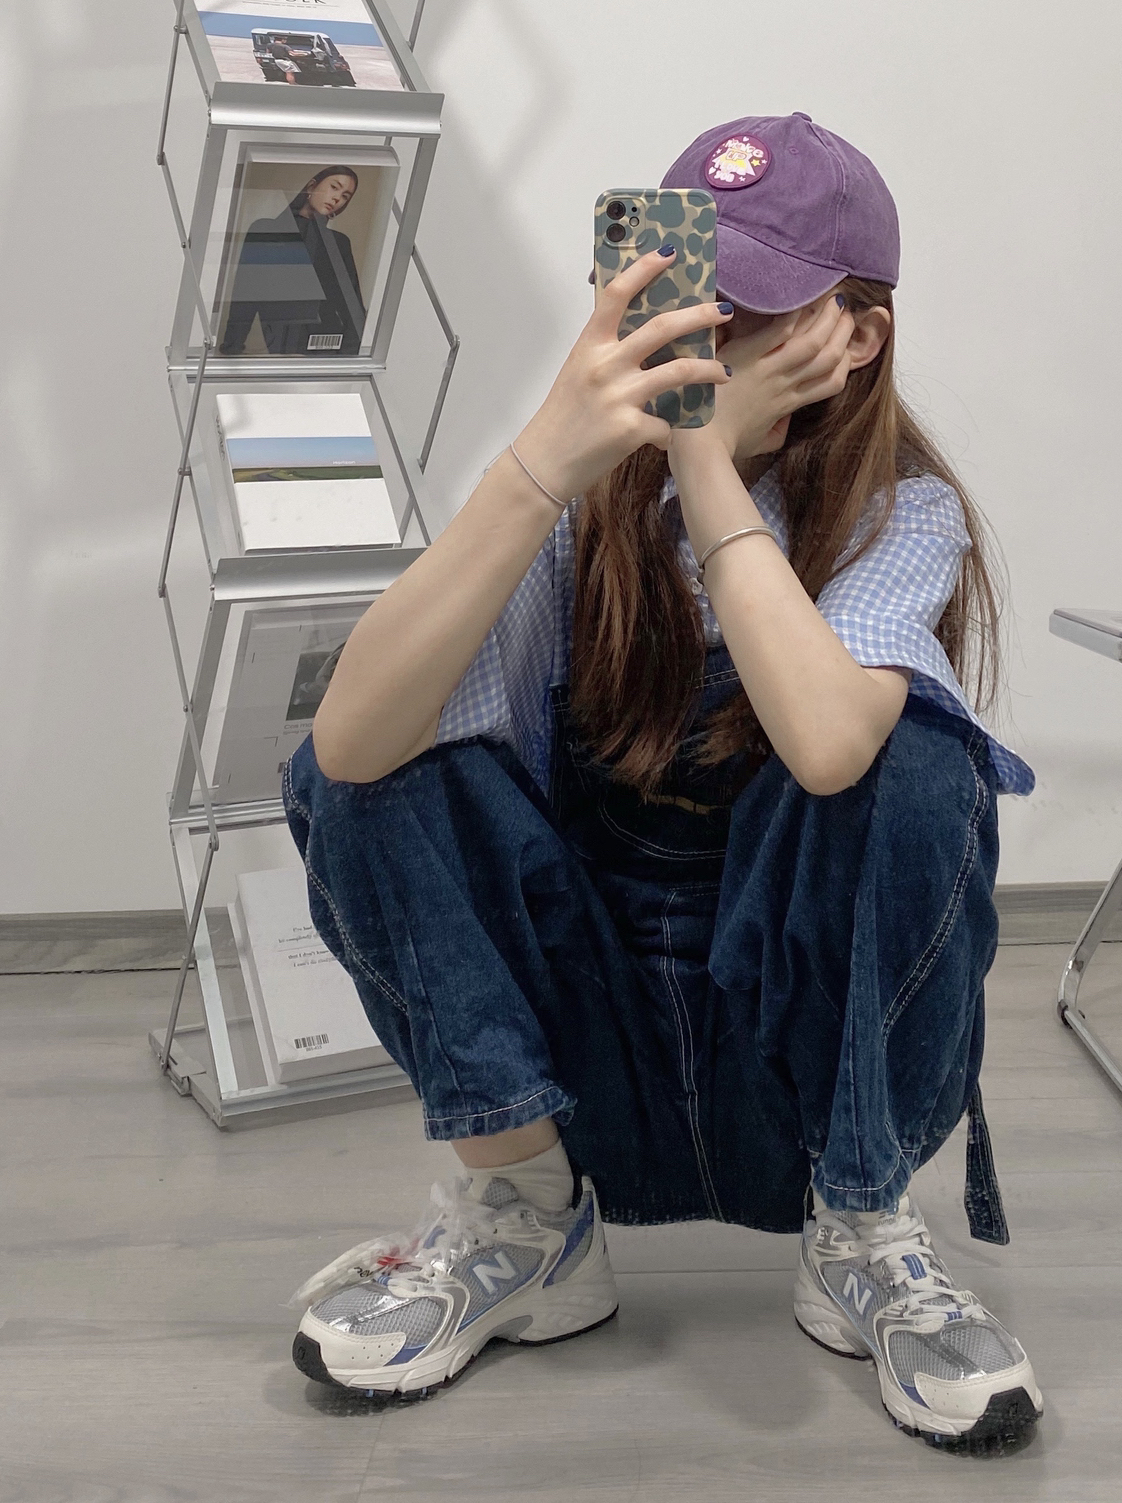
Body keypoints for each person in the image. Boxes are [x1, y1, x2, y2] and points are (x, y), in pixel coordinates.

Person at [281, 113, 1043, 1452]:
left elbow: (827, 746)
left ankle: (862, 1231)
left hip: (799, 1086)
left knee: (917, 764)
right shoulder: (584, 511)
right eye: (686, 296)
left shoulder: (899, 515)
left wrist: (700, 460)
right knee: (367, 758)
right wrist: (547, 454)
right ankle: (525, 1225)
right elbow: (348, 749)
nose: (702, 337)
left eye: (747, 308)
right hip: (585, 1078)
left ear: (856, 335)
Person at [218, 166, 367, 356]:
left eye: (345, 196)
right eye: (334, 187)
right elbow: (246, 293)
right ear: (311, 186)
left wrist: (348, 360)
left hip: (326, 349)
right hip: (279, 347)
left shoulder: (339, 243)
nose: (337, 198)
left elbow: (352, 307)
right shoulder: (266, 229)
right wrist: (231, 349)